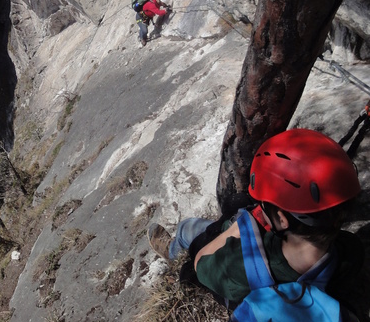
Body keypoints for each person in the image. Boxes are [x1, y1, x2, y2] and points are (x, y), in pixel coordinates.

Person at [148, 129, 363, 307]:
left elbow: (201, 263)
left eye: (264, 206)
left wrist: (242, 226)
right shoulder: (346, 251)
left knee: (188, 229)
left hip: (230, 269)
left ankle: (173, 251)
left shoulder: (243, 265)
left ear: (281, 219)